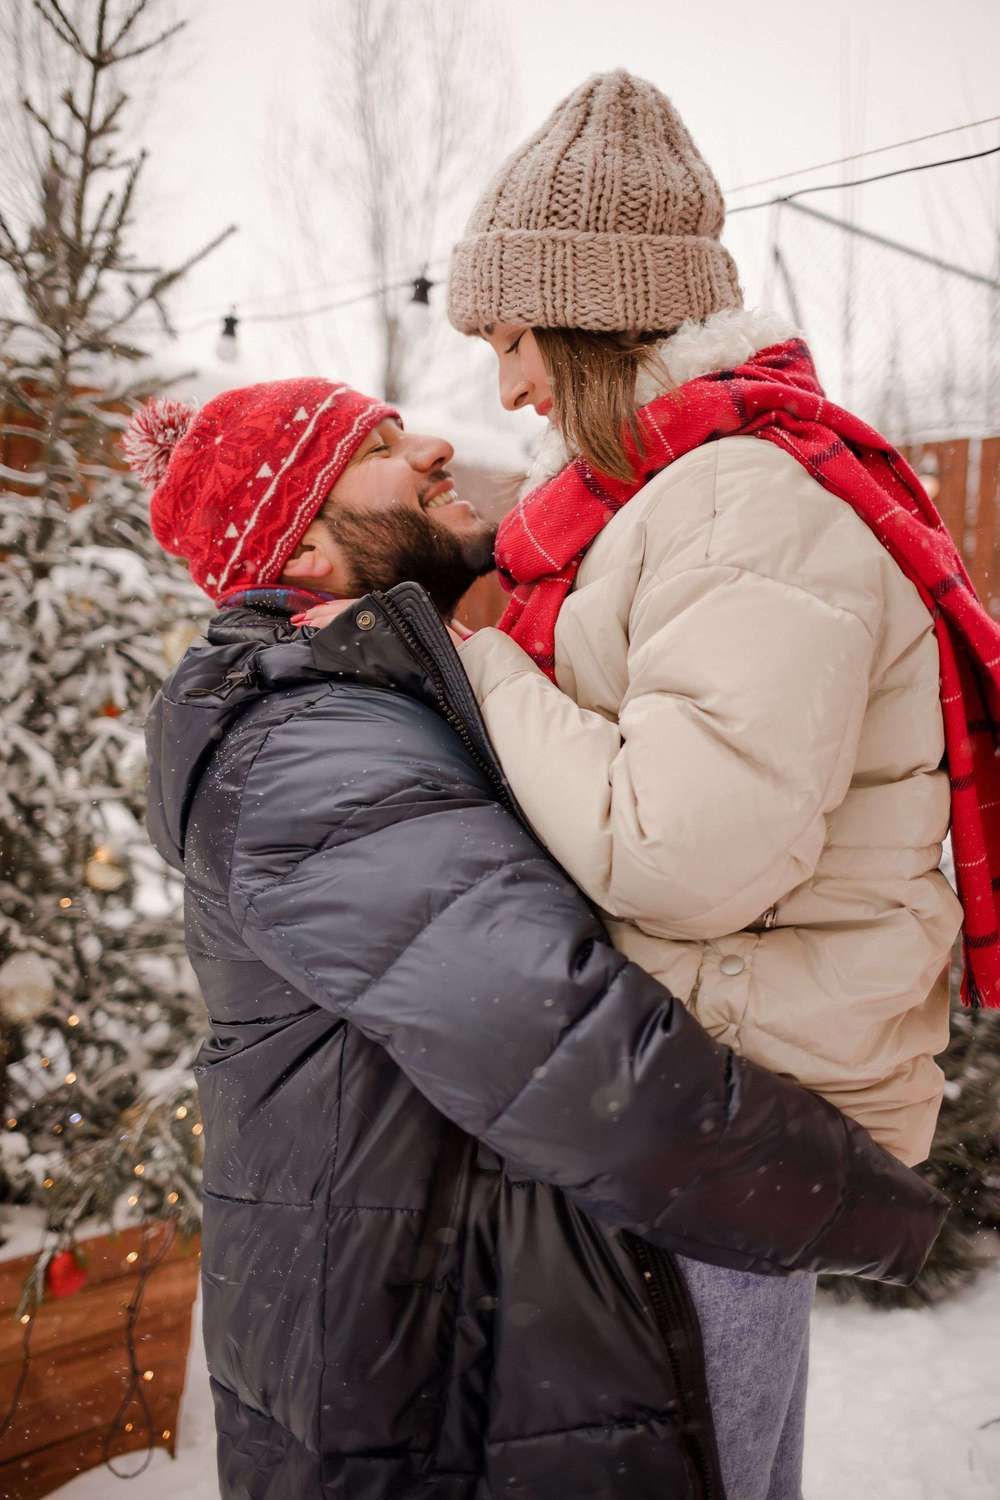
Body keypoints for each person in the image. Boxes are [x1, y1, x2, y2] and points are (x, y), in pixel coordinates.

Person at [127, 378, 947, 1500]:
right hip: (417, 1351)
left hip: (464, 1311)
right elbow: (560, 1048)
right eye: (373, 445)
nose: (434, 439)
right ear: (306, 553)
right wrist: (861, 1202)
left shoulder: (375, 706)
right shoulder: (312, 745)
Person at [435, 67, 1000, 1500]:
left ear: (587, 316)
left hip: (727, 1113)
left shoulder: (749, 502)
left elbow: (687, 848)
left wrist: (483, 671)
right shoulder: (669, 496)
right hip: (695, 1086)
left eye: (510, 336)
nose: (501, 384)